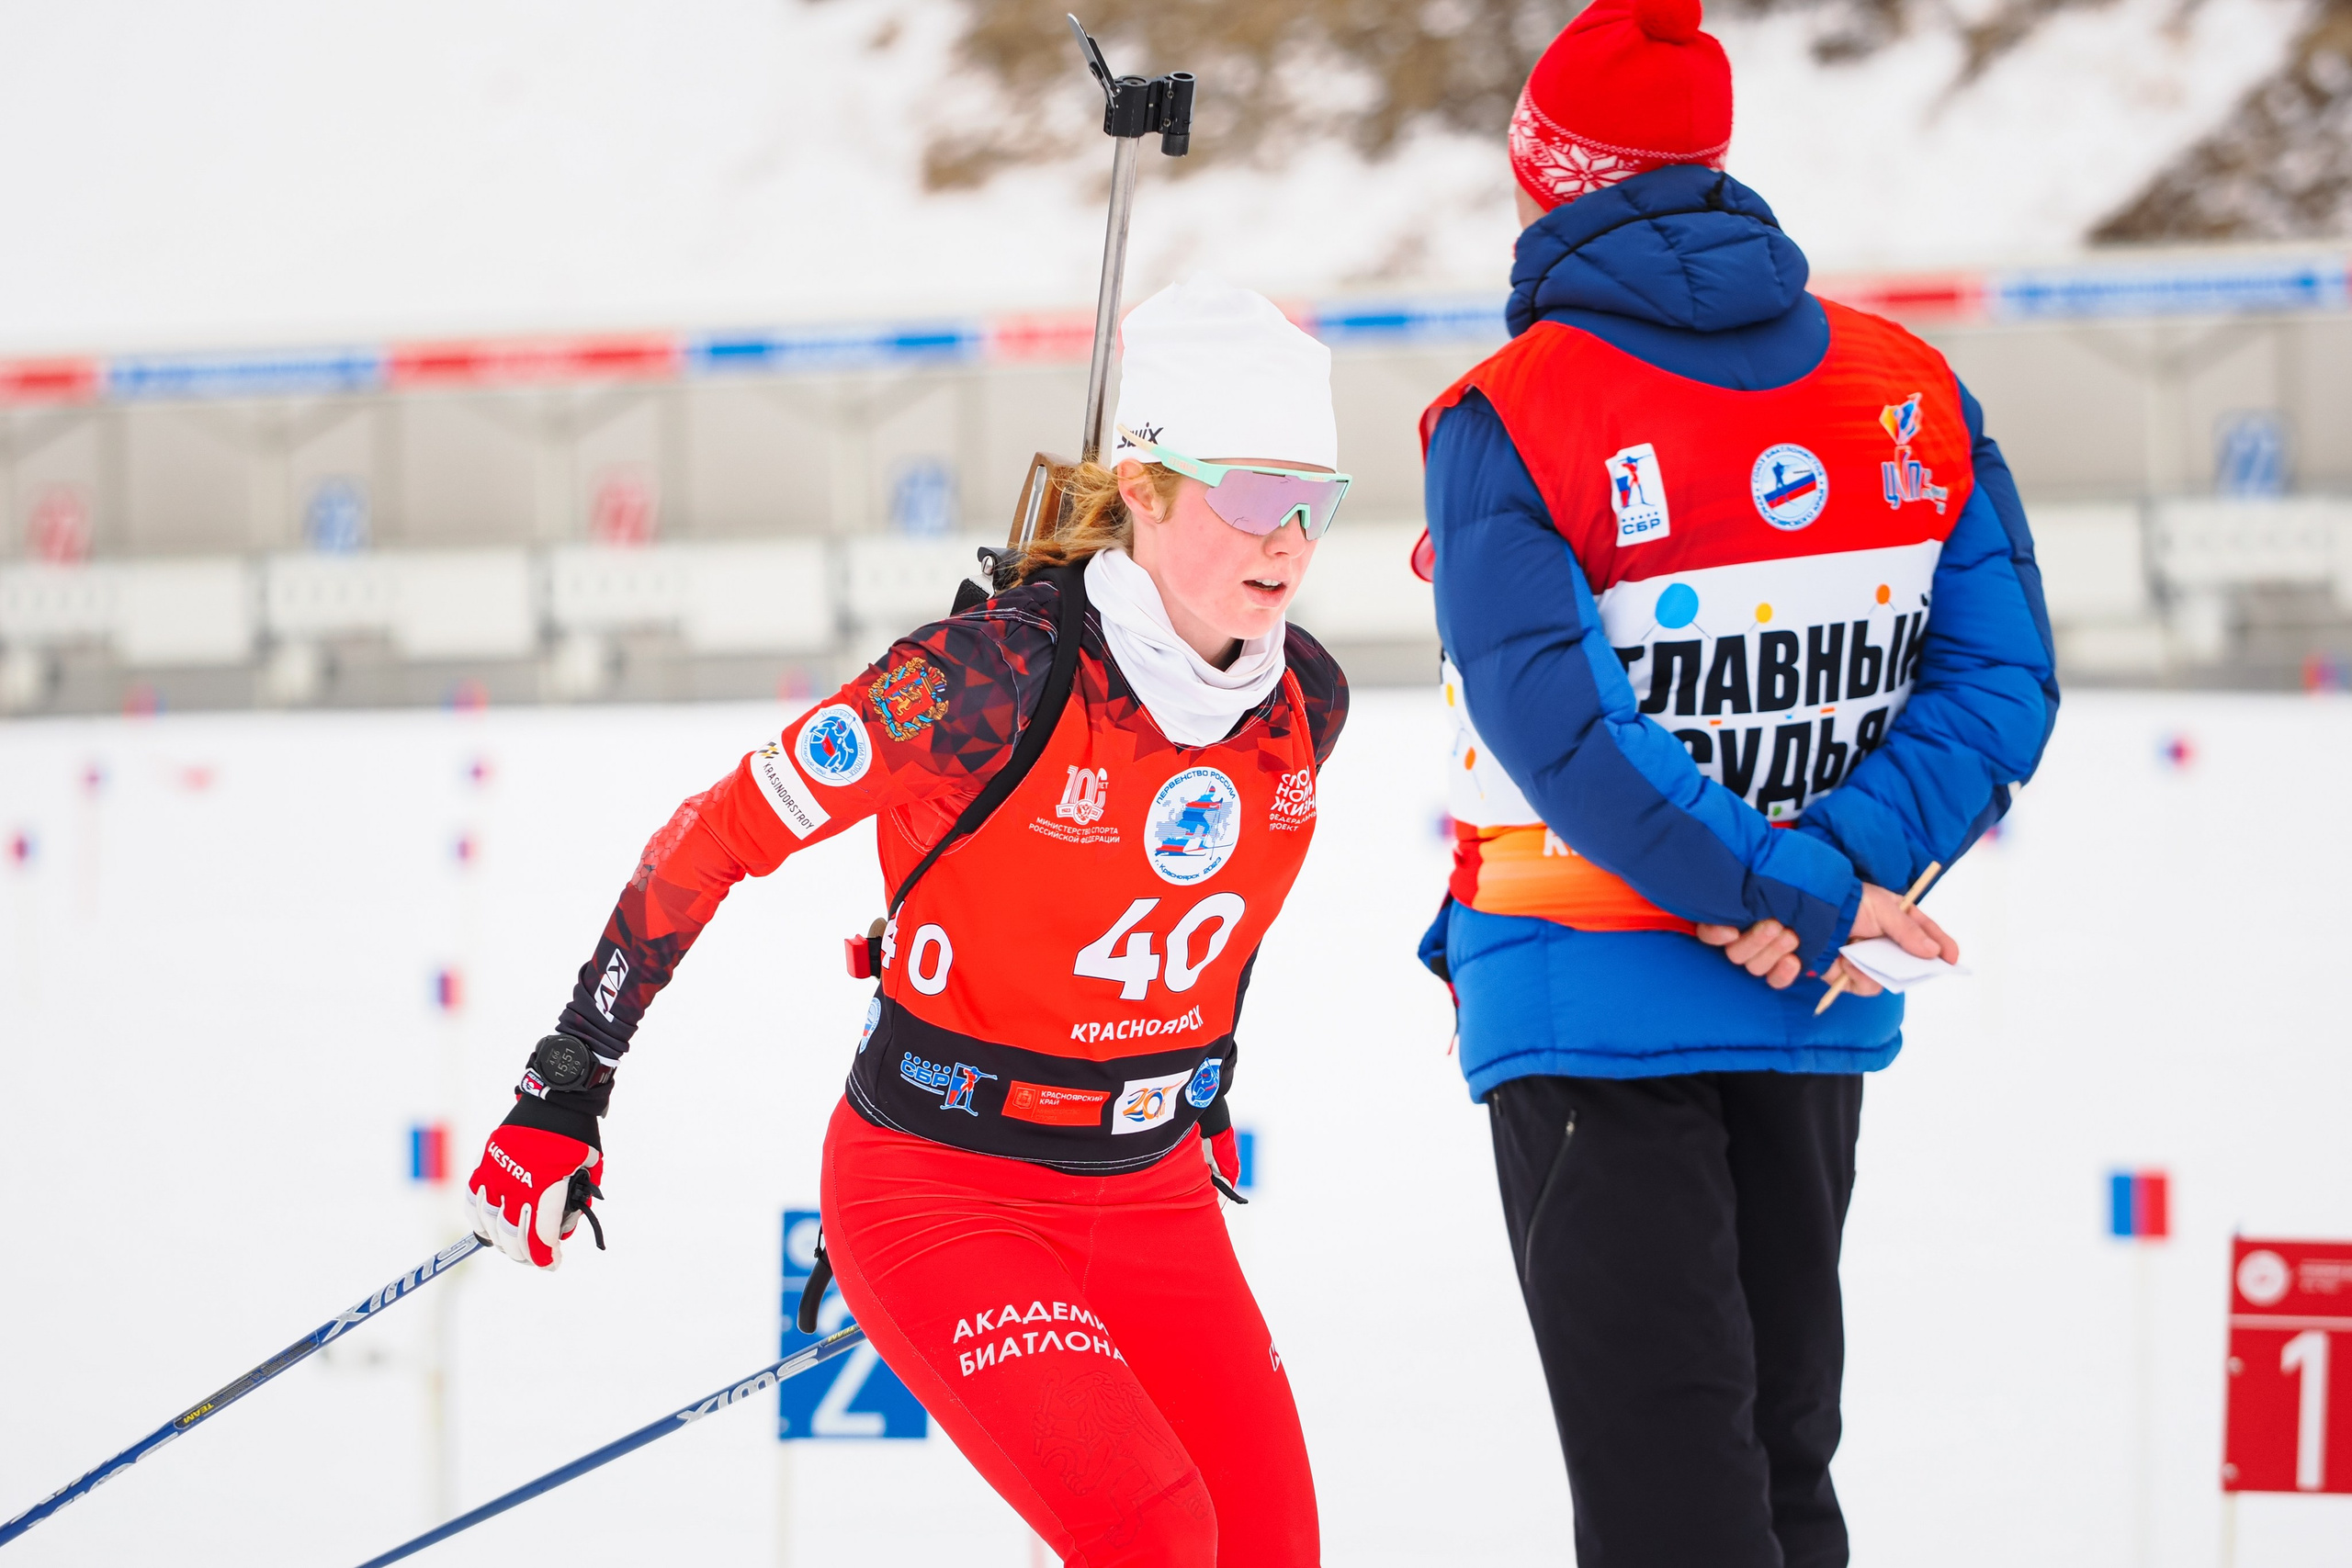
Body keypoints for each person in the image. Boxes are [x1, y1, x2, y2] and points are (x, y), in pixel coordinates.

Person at [463, 279, 1351, 1568]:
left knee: (1268, 1549)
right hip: (943, 1187)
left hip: (1147, 1194)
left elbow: (1222, 913)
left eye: (1316, 503)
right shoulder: (989, 678)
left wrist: (1198, 1080)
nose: (1292, 541)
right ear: (1146, 487)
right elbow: (716, 834)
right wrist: (566, 1079)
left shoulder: (1303, 704)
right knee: (1159, 1536)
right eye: (1257, 497)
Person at [1413, 2, 2059, 1563]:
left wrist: (1777, 883)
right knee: (1779, 1456)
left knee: (1664, 1481)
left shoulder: (1513, 414)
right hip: (1809, 991)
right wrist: (1828, 868)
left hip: (1587, 996)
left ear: (1546, 178)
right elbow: (2000, 681)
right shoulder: (1906, 382)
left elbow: (1559, 734)